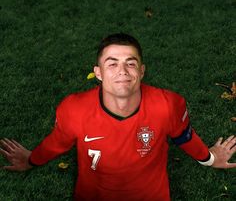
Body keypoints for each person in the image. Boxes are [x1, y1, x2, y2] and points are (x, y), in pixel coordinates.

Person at [0, 33, 236, 200]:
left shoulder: (168, 104)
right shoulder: (74, 109)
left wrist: (210, 159)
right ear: (98, 73)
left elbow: (184, 137)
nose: (122, 71)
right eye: (112, 64)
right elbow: (57, 142)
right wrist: (31, 159)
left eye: (130, 63)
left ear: (141, 71)